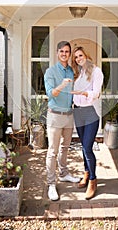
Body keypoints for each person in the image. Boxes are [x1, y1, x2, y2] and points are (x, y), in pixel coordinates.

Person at [44, 41, 80, 201]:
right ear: (57, 53)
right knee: (53, 151)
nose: (64, 54)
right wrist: (62, 84)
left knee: (65, 147)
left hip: (69, 115)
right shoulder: (50, 72)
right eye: (62, 51)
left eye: (67, 51)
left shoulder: (71, 71)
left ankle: (64, 173)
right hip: (55, 116)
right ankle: (51, 184)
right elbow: (51, 94)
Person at [71, 46, 104, 200]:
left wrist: (84, 93)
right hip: (78, 112)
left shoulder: (96, 72)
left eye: (80, 55)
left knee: (87, 147)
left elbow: (96, 93)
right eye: (76, 57)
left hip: (90, 112)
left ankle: (93, 181)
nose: (78, 59)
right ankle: (86, 173)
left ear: (86, 55)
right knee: (83, 147)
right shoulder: (78, 73)